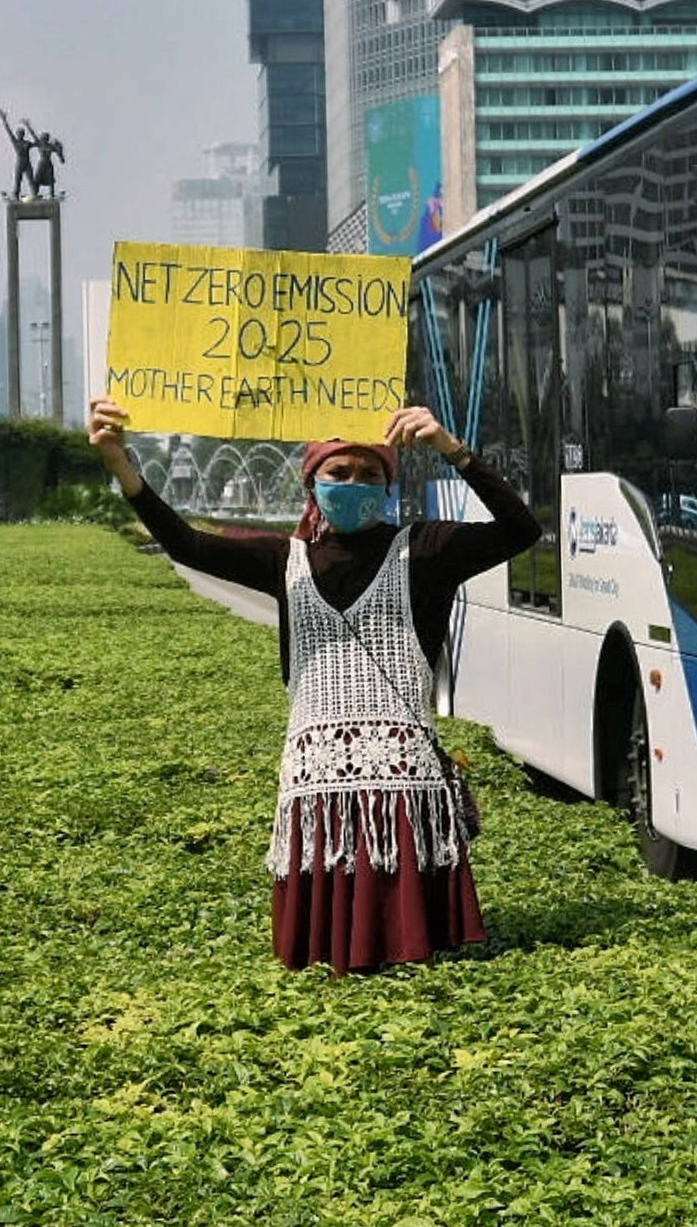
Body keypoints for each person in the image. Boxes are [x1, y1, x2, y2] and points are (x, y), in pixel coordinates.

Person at [88, 397, 540, 975]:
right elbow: (187, 544)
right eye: (339, 473)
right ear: (313, 483)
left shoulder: (426, 550)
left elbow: (520, 529)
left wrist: (450, 449)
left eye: (370, 474)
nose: (354, 484)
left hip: (400, 777)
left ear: (389, 484)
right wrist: (120, 464)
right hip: (318, 774)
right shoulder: (285, 560)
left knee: (408, 951)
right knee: (331, 957)